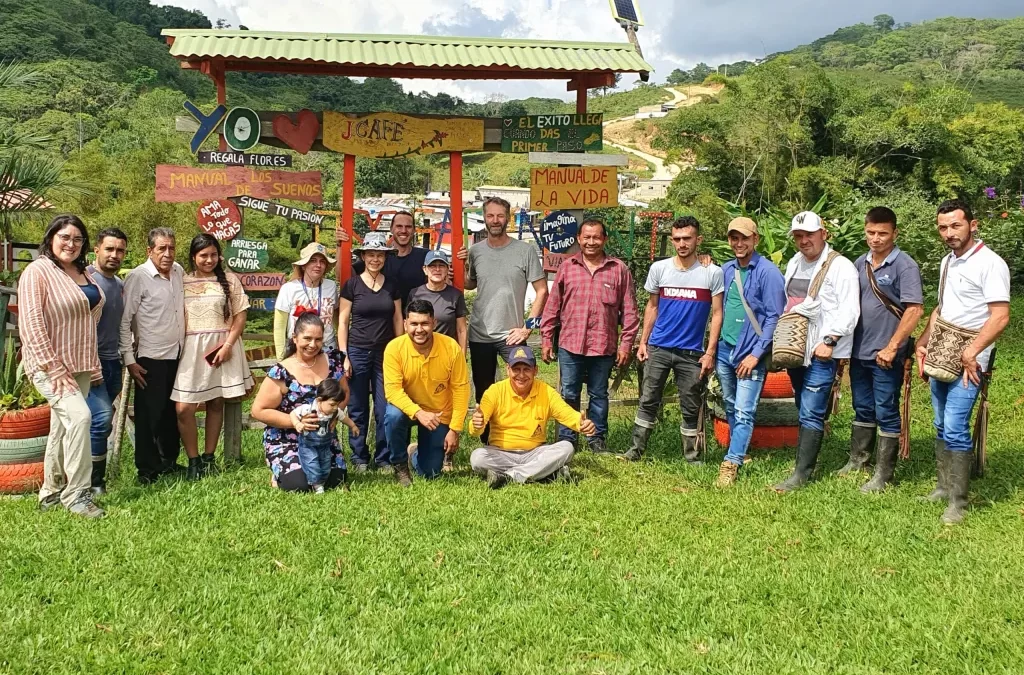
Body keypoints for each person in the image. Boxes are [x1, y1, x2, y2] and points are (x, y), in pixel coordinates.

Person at [916, 199, 1010, 524]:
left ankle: (958, 502)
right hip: (942, 352)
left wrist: (973, 352)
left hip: (971, 360)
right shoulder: (948, 262)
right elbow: (941, 309)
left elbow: (1000, 317)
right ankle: (944, 487)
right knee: (940, 423)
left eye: (955, 225)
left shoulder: (990, 263)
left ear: (973, 224)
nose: (949, 233)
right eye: (943, 227)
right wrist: (923, 342)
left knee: (955, 426)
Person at [20, 215, 106, 518]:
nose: (71, 243)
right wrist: (53, 367)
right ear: (52, 237)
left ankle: (50, 491)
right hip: (49, 365)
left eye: (78, 239)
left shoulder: (82, 271)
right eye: (65, 237)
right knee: (81, 417)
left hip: (79, 363)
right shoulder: (37, 271)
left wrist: (90, 362)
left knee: (62, 426)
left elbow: (88, 317)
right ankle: (78, 494)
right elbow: (31, 324)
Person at [622, 216, 724, 463]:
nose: (682, 244)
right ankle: (635, 451)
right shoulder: (660, 269)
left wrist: (709, 352)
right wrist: (643, 342)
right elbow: (652, 307)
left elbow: (718, 313)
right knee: (648, 400)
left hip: (691, 353)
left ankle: (692, 455)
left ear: (698, 240)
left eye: (687, 238)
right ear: (671, 240)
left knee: (690, 405)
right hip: (658, 347)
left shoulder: (711, 272)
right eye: (677, 239)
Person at [773, 212, 860, 493]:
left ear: (823, 233)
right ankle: (805, 459)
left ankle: (802, 474)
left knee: (811, 410)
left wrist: (831, 341)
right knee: (803, 405)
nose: (803, 240)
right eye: (798, 236)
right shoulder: (795, 263)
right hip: (797, 348)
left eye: (808, 234)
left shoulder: (841, 267)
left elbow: (850, 310)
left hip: (823, 351)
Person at [540, 218, 639, 454]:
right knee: (569, 393)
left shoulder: (618, 269)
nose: (591, 242)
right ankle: (567, 438)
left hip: (603, 345)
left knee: (598, 393)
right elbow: (552, 305)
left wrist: (626, 344)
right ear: (578, 239)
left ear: (604, 239)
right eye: (587, 237)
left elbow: (630, 311)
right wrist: (546, 338)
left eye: (596, 237)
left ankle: (596, 439)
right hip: (570, 344)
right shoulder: (567, 267)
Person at [844, 207, 923, 492]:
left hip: (887, 353)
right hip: (859, 350)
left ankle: (883, 474)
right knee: (862, 406)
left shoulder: (905, 266)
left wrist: (892, 347)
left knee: (886, 409)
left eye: (882, 233)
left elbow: (914, 310)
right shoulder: (858, 264)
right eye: (870, 233)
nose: (876, 239)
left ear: (895, 233)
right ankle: (859, 460)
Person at [462, 197, 547, 443]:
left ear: (508, 218)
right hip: (480, 333)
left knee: (522, 386)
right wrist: (456, 266)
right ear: (485, 218)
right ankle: (488, 443)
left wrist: (528, 328)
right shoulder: (476, 251)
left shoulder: (525, 251)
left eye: (500, 216)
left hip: (512, 334)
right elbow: (471, 283)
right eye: (490, 216)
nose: (495, 221)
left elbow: (542, 291)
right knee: (485, 391)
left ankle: (523, 437)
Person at [170, 234, 255, 481]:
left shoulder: (229, 280)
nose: (209, 260)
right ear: (193, 257)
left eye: (213, 255)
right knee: (184, 407)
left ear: (219, 255)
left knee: (216, 402)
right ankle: (192, 459)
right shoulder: (182, 281)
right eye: (203, 255)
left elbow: (240, 315)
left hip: (222, 346)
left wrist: (228, 345)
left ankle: (209, 458)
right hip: (191, 349)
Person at [713, 217, 787, 487]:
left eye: (744, 238)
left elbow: (773, 317)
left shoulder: (768, 272)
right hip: (725, 349)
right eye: (734, 238)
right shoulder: (726, 269)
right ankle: (741, 453)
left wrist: (756, 354)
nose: (739, 243)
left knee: (745, 409)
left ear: (755, 239)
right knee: (731, 404)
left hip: (750, 353)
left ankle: (731, 461)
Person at [469, 345, 596, 488]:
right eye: (516, 369)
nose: (521, 375)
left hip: (535, 452)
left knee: (566, 448)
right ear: (508, 370)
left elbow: (567, 414)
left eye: (526, 369)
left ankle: (509, 477)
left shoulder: (546, 392)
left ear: (535, 370)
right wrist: (477, 424)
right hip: (501, 453)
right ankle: (546, 473)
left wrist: (581, 424)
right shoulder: (495, 391)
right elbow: (475, 429)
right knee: (477, 458)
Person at [251, 312, 349, 491]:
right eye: (307, 338)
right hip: (287, 439)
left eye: (318, 339)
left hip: (322, 439)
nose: (313, 345)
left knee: (335, 480)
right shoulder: (281, 372)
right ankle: (278, 472)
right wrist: (296, 422)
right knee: (300, 485)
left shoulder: (334, 362)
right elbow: (258, 410)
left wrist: (333, 414)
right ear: (294, 338)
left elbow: (345, 393)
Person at [120, 227, 185, 485]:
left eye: (171, 248)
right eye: (161, 248)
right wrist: (129, 360)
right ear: (149, 251)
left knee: (171, 412)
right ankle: (146, 470)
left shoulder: (178, 272)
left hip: (178, 355)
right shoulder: (139, 277)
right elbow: (124, 322)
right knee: (149, 415)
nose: (167, 254)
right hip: (149, 358)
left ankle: (168, 460)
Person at [383, 299, 470, 486]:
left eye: (424, 323)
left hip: (438, 414)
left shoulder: (451, 347)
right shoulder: (394, 348)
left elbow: (461, 389)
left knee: (431, 472)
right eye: (414, 324)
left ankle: (414, 454)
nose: (419, 329)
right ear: (405, 324)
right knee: (392, 415)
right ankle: (400, 465)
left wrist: (455, 429)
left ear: (434, 323)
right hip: (408, 410)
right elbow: (392, 391)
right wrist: (419, 413)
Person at [338, 231, 404, 473]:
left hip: (386, 353)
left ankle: (383, 457)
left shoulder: (392, 285)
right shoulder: (352, 285)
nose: (375, 259)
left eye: (380, 255)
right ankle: (359, 456)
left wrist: (400, 349)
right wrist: (344, 354)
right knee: (357, 406)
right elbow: (343, 321)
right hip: (357, 350)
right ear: (363, 256)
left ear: (385, 258)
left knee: (384, 406)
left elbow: (398, 319)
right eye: (371, 255)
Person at [85, 227, 127, 496]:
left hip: (114, 362)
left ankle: (87, 477)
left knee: (97, 422)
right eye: (109, 249)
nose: (114, 255)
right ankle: (94, 483)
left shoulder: (120, 285)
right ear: (96, 250)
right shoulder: (85, 280)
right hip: (89, 362)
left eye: (120, 250)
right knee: (100, 420)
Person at [292, 378, 358, 493]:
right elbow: (293, 414)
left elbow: (344, 418)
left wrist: (353, 426)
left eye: (337, 404)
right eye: (332, 404)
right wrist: (297, 424)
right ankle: (317, 486)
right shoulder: (308, 409)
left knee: (325, 464)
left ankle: (320, 482)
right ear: (319, 400)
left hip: (325, 445)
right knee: (312, 464)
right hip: (308, 445)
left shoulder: (335, 412)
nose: (335, 407)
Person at [274, 243, 338, 359]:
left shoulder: (331, 286)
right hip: (298, 349)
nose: (318, 265)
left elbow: (336, 317)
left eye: (322, 261)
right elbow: (279, 326)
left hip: (327, 348)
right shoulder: (289, 288)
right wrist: (281, 358)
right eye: (313, 260)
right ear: (303, 265)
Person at [352, 211, 428, 309]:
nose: (404, 230)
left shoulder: (425, 256)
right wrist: (340, 245)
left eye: (408, 227)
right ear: (391, 229)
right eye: (399, 226)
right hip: (383, 320)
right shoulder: (378, 258)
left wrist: (449, 273)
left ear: (414, 230)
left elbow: (442, 277)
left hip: (416, 320)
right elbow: (342, 274)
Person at [407, 250, 468, 352]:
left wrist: (462, 355)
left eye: (442, 265)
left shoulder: (455, 295)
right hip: (419, 352)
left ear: (448, 269)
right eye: (432, 266)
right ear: (425, 269)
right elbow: (408, 326)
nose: (437, 269)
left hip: (446, 352)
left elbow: (461, 330)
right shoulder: (415, 294)